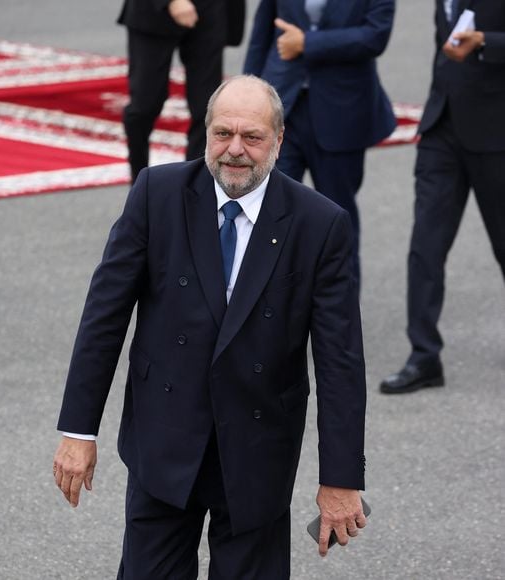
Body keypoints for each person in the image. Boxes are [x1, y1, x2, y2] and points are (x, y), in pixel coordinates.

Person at [53, 75, 368, 579]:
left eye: (252, 137)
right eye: (222, 134)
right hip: (164, 443)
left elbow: (340, 361)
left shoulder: (319, 224)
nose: (234, 151)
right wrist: (77, 431)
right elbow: (103, 318)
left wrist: (341, 479)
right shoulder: (157, 195)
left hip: (257, 452)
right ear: (205, 132)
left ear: (279, 140)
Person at [380, 2, 505, 394]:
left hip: (495, 134)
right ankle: (424, 356)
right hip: (442, 131)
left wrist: (485, 41)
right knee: (425, 248)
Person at [243, 0, 396, 282]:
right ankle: (267, 315)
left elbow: (376, 35)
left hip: (341, 112)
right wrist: (247, 93)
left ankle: (340, 319)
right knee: (269, 215)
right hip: (283, 107)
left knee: (337, 221)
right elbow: (263, 29)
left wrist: (309, 43)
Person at [117, 0, 245, 182]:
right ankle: (139, 184)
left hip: (211, 10)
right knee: (144, 107)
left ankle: (192, 189)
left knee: (207, 109)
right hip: (153, 13)